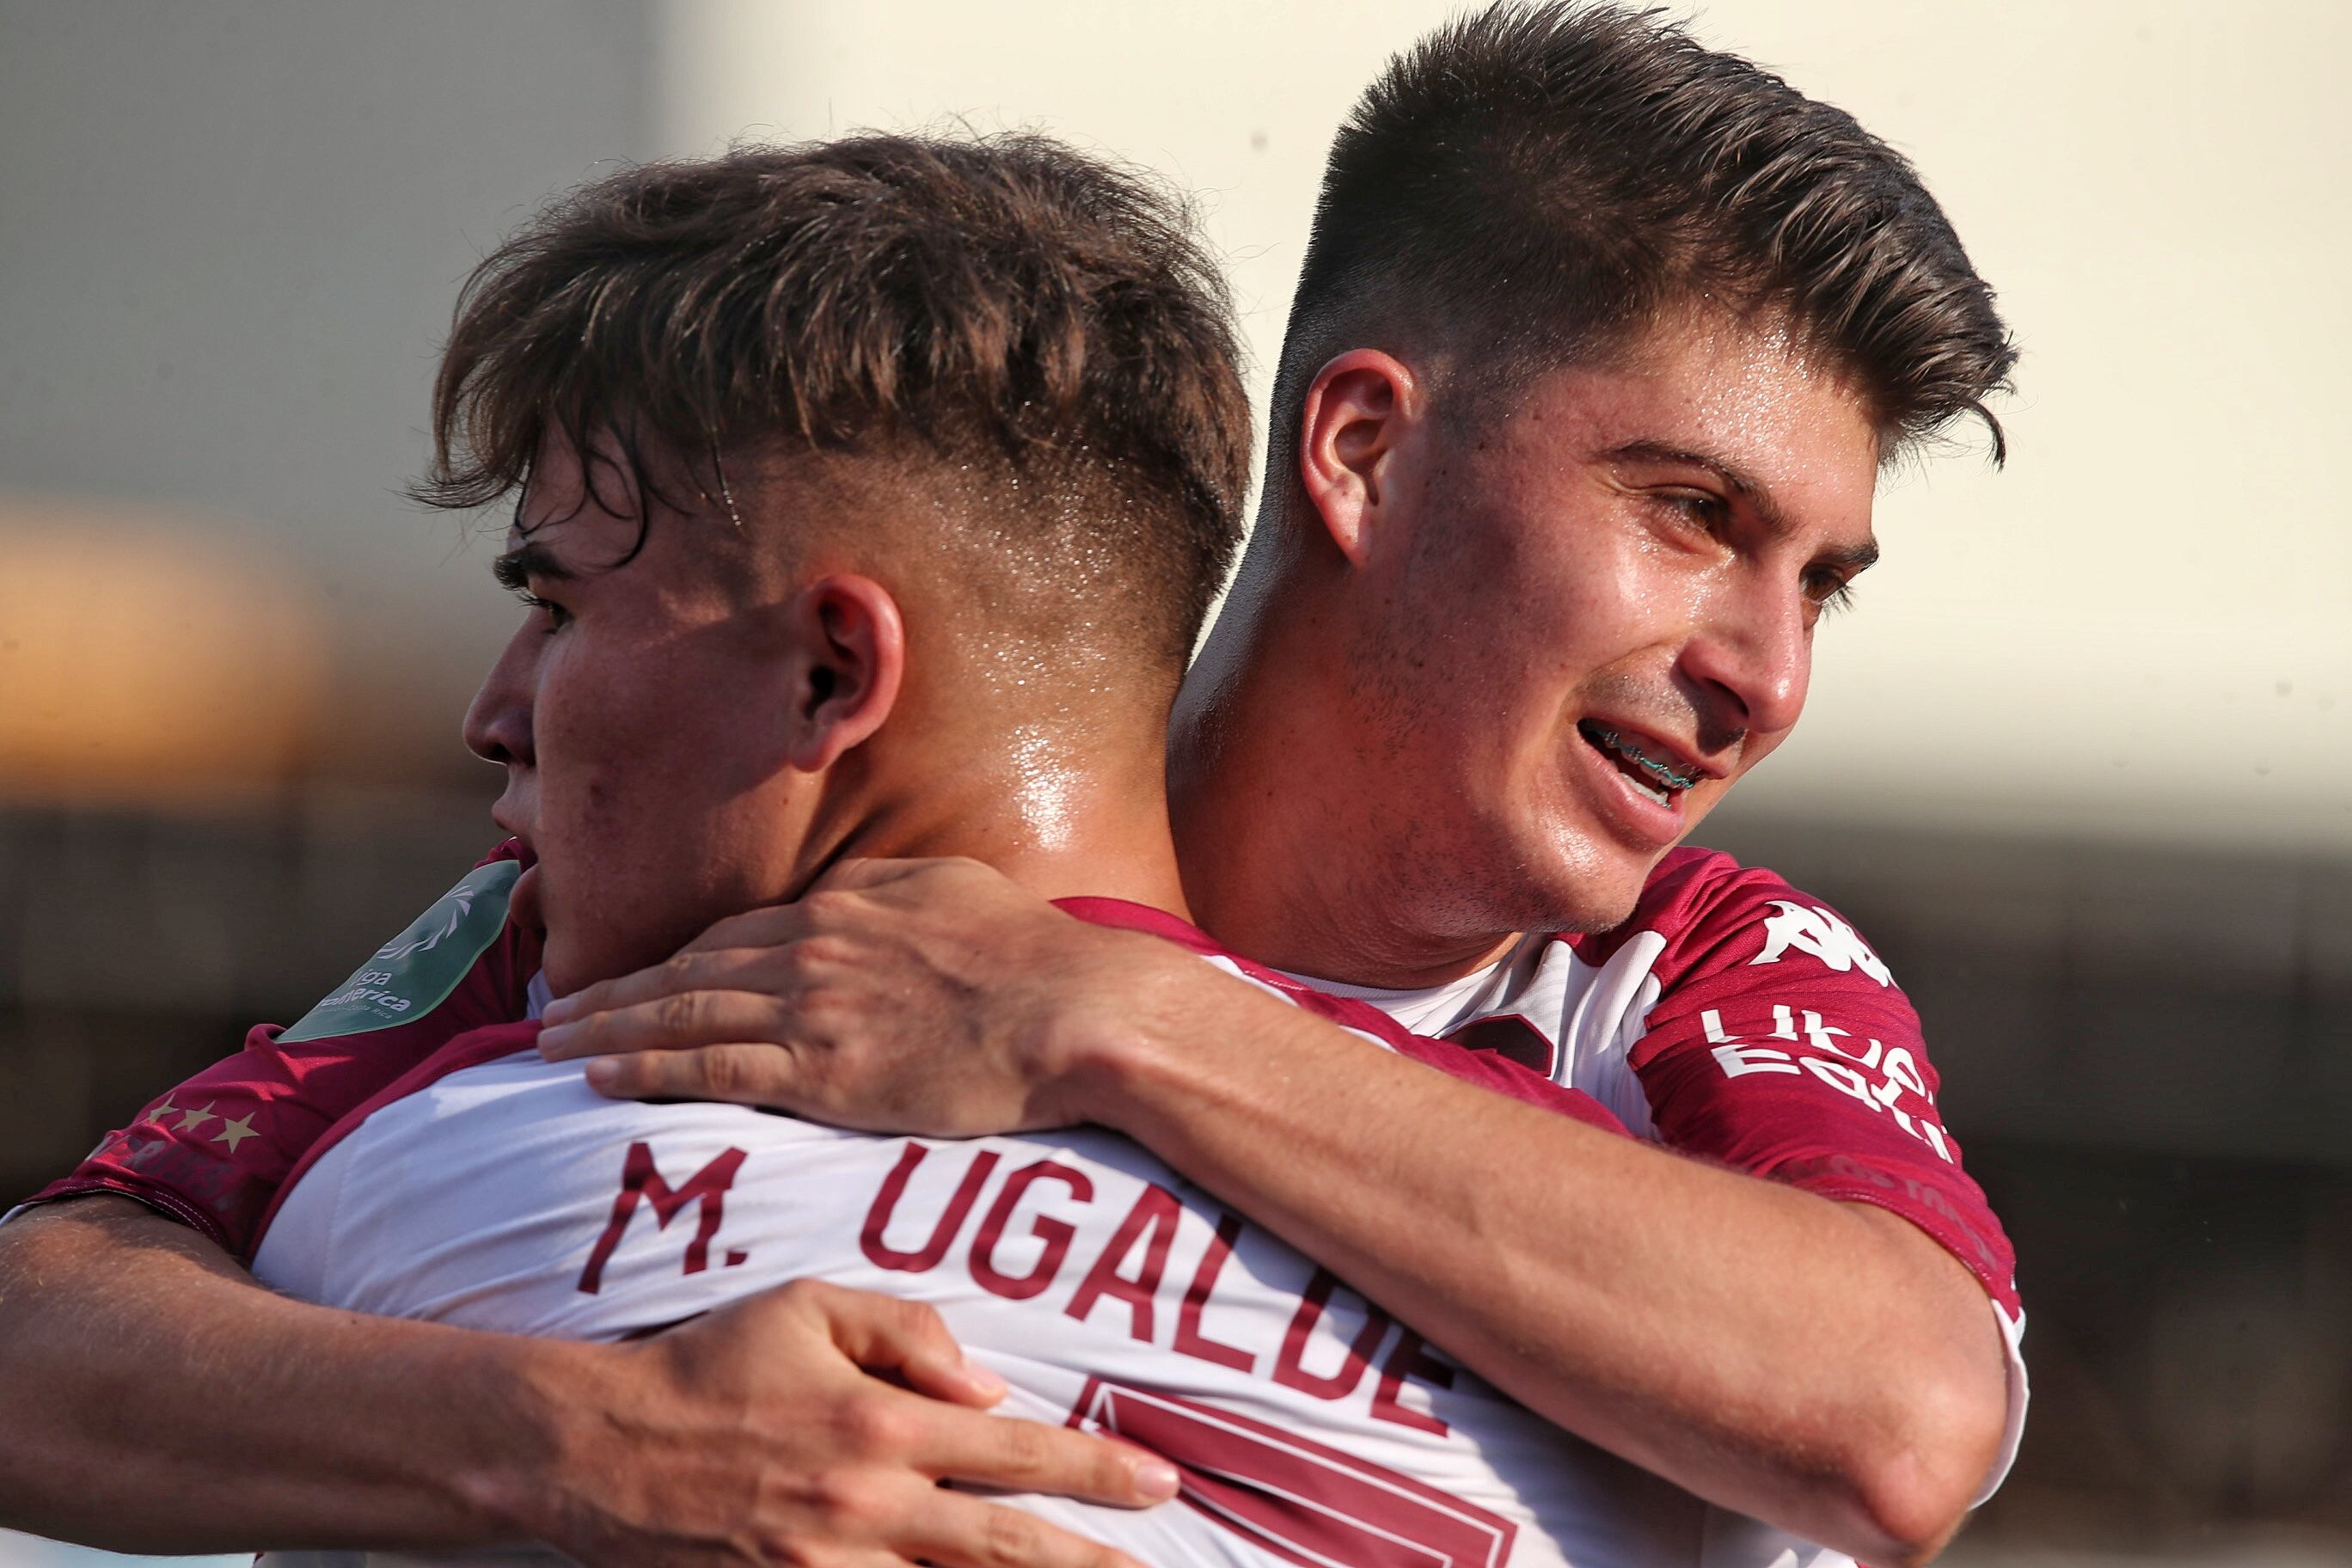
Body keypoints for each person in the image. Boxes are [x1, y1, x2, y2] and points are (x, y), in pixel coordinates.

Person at [0, 7, 2022, 1568]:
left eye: (1820, 583)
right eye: (1692, 516)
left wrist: (1116, 1016)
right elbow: (53, 1309)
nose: (1768, 675)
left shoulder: (1701, 969)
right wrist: (598, 1442)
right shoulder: (686, 880)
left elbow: (1902, 1421)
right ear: (1365, 452)